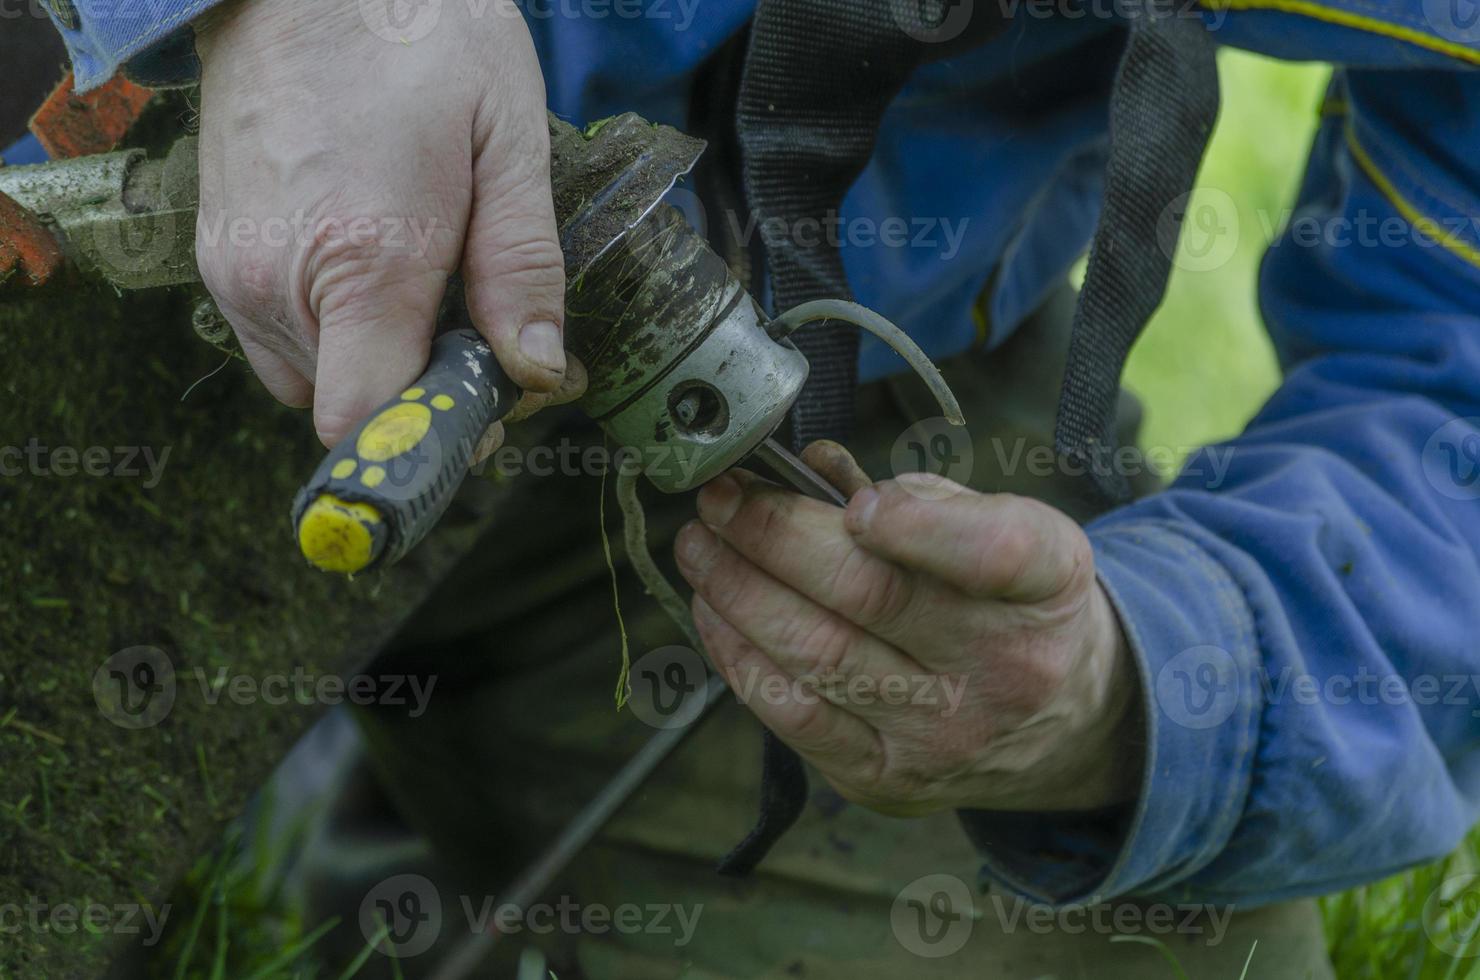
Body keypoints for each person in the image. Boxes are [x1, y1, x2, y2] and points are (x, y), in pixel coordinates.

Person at [36, 0, 1480, 975]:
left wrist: (1130, 679)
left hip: (795, 348)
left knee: (1164, 945)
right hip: (125, 164)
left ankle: (395, 780)